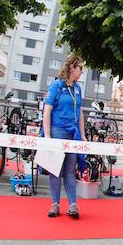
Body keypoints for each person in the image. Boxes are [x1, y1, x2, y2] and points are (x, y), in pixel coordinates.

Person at [43, 54, 87, 219]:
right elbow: (47, 110)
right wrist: (47, 135)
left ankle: (73, 205)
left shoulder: (78, 88)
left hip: (73, 133)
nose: (82, 71)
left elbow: (80, 112)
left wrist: (82, 134)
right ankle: (55, 204)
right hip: (58, 131)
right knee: (56, 170)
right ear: (72, 67)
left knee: (70, 170)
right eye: (80, 68)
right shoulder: (57, 86)